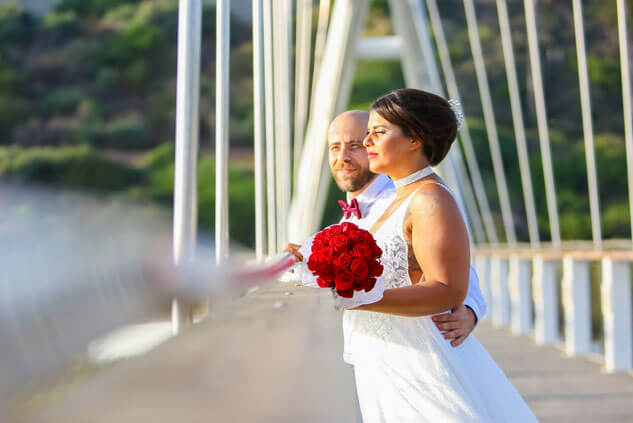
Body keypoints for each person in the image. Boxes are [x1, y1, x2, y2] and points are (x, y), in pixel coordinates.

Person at [328, 88, 536, 422]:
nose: (367, 142)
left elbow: (447, 288)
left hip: (419, 365)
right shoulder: (400, 197)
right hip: (384, 362)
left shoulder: (430, 200)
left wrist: (357, 297)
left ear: (415, 139)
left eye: (378, 132)